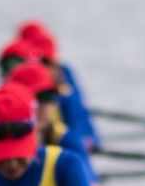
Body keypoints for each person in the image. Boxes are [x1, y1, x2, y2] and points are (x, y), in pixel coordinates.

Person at [16, 20, 101, 153]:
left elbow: (80, 119)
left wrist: (88, 141)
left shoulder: (65, 93)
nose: (41, 68)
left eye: (45, 62)